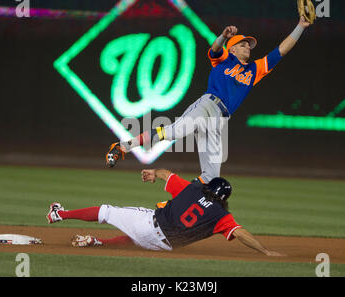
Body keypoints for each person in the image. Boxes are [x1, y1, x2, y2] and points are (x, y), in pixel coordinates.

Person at [106, 17, 312, 185]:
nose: (248, 47)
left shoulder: (254, 70)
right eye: (243, 44)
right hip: (207, 105)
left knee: (211, 176)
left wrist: (300, 26)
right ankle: (124, 146)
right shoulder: (224, 60)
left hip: (220, 120)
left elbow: (281, 50)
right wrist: (223, 36)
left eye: (248, 44)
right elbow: (214, 50)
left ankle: (177, 205)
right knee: (173, 133)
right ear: (232, 49)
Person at [47, 168, 284, 256]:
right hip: (166, 247)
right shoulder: (223, 217)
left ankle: (60, 214)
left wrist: (153, 173)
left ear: (209, 188)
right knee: (135, 240)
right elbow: (240, 234)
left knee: (108, 211)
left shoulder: (191, 189)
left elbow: (166, 173)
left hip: (152, 225)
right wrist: (264, 251)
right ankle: (97, 243)